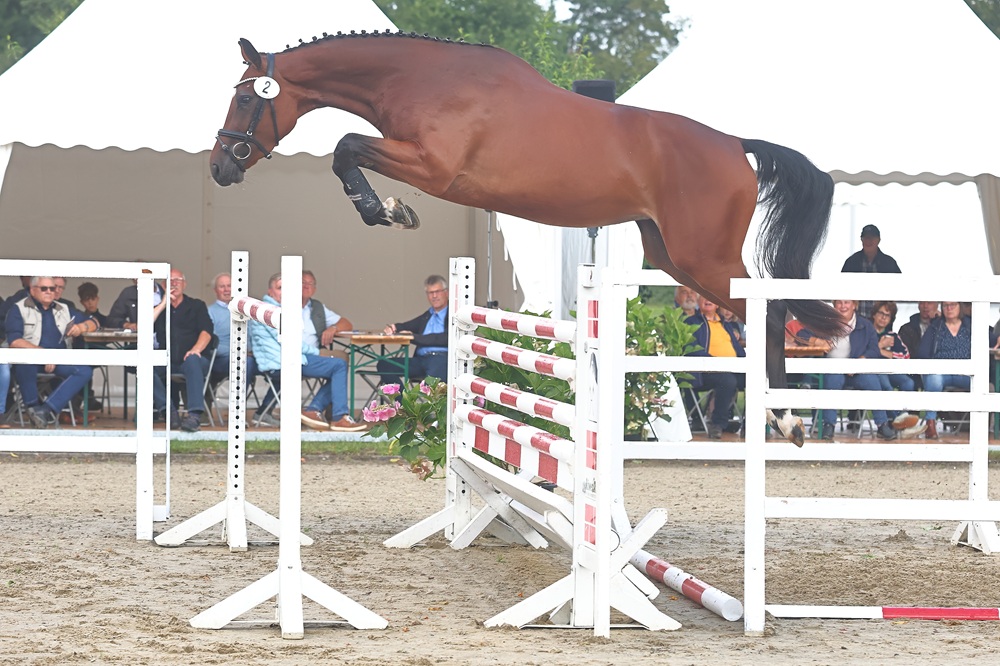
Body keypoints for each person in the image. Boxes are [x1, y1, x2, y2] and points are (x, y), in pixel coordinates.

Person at [249, 273, 366, 432]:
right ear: (270, 291)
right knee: (339, 366)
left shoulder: (272, 309)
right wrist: (317, 352)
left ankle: (315, 411)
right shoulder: (273, 312)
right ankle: (333, 415)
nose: (284, 292)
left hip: (285, 360)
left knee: (339, 364)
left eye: (287, 288)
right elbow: (290, 342)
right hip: (286, 361)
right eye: (280, 288)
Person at [4, 276, 99, 428]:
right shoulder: (18, 308)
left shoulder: (64, 309)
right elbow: (14, 341)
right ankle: (32, 406)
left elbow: (94, 322)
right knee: (24, 364)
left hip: (59, 360)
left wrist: (81, 328)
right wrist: (42, 354)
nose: (49, 291)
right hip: (31, 359)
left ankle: (46, 410)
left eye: (52, 288)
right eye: (44, 288)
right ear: (33, 290)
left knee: (84, 371)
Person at [801, 299, 898, 440]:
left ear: (854, 305)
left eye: (847, 302)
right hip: (833, 368)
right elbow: (801, 334)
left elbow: (874, 349)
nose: (842, 306)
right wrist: (817, 341)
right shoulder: (826, 321)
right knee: (832, 380)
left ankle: (882, 425)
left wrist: (860, 362)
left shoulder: (865, 325)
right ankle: (829, 425)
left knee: (872, 381)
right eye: (839, 302)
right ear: (834, 305)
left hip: (856, 369)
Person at [152, 269, 215, 432]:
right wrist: (163, 304)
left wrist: (196, 349)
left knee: (193, 360)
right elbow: (143, 325)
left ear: (184, 284)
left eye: (178, 280)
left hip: (193, 360)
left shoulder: (196, 305)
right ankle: (168, 412)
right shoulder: (158, 308)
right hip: (167, 361)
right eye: (170, 280)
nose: (174, 283)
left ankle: (194, 416)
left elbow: (207, 332)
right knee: (144, 367)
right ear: (164, 285)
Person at [206, 272, 266, 424]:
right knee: (245, 362)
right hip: (223, 361)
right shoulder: (210, 312)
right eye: (222, 286)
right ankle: (237, 413)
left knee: (281, 367)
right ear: (215, 290)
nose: (226, 290)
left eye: (230, 286)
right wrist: (239, 352)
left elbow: (255, 337)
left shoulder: (246, 310)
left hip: (251, 357)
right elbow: (210, 344)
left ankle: (266, 411)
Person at [685, 294, 745, 439]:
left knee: (756, 380)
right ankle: (717, 424)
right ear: (698, 302)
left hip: (732, 369)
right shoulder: (692, 322)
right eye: (704, 297)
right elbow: (692, 349)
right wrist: (715, 362)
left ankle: (750, 425)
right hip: (705, 370)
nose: (708, 299)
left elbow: (738, 349)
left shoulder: (725, 324)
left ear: (718, 304)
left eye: (711, 297)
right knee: (727, 381)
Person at [378, 275, 450, 386]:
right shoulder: (429, 314)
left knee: (432, 387)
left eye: (438, 292)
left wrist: (414, 337)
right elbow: (409, 325)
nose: (434, 296)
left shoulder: (453, 314)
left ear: (447, 293)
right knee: (384, 365)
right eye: (430, 293)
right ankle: (402, 403)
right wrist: (394, 327)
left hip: (441, 359)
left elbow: (445, 338)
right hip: (421, 360)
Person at [916, 301, 972, 440]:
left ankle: (983, 428)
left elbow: (991, 339)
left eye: (953, 305)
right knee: (934, 378)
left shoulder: (970, 326)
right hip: (942, 373)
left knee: (985, 383)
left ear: (960, 307)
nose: (949, 308)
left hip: (965, 373)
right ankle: (930, 424)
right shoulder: (936, 327)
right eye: (946, 305)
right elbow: (922, 352)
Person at [869, 300, 924, 437]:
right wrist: (879, 346)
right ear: (874, 315)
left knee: (908, 382)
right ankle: (899, 420)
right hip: (873, 371)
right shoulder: (867, 331)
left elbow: (905, 356)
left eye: (887, 315)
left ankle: (902, 418)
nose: (883, 317)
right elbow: (864, 352)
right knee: (886, 386)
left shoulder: (892, 336)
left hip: (890, 371)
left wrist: (882, 351)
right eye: (881, 313)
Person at [841, 224, 901, 320]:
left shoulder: (889, 263)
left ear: (879, 240)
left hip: (881, 320)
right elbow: (842, 289)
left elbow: (899, 288)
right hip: (856, 318)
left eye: (872, 238)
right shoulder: (851, 262)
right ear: (861, 240)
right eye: (865, 238)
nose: (868, 241)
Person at [897, 301, 940, 378]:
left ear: (937, 305)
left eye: (929, 303)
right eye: (922, 303)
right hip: (914, 371)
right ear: (918, 305)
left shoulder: (942, 326)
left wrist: (939, 321)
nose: (925, 306)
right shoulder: (906, 329)